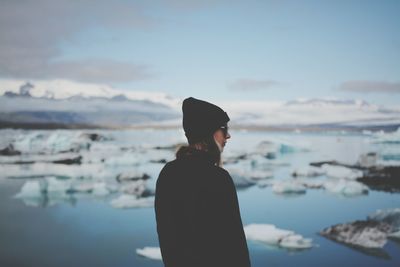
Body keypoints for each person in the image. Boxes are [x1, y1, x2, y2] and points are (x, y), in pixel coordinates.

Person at [155, 97, 251, 267]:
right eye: (223, 129)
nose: (228, 135)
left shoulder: (168, 173)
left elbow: (167, 238)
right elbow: (234, 244)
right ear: (209, 132)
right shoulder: (218, 178)